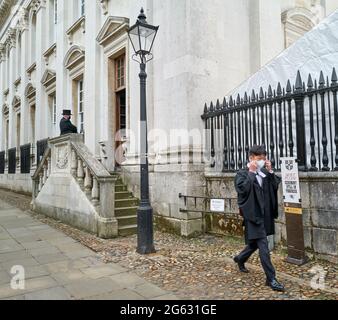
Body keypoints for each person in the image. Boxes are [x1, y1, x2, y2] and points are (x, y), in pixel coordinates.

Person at [234, 145, 285, 292]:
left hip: (265, 215)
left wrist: (270, 171)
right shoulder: (242, 174)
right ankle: (271, 279)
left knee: (254, 244)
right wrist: (251, 172)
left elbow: (274, 186)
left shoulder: (264, 172)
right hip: (253, 216)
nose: (262, 161)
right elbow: (242, 190)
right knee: (263, 246)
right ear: (251, 158)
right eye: (259, 158)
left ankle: (240, 258)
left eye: (264, 158)